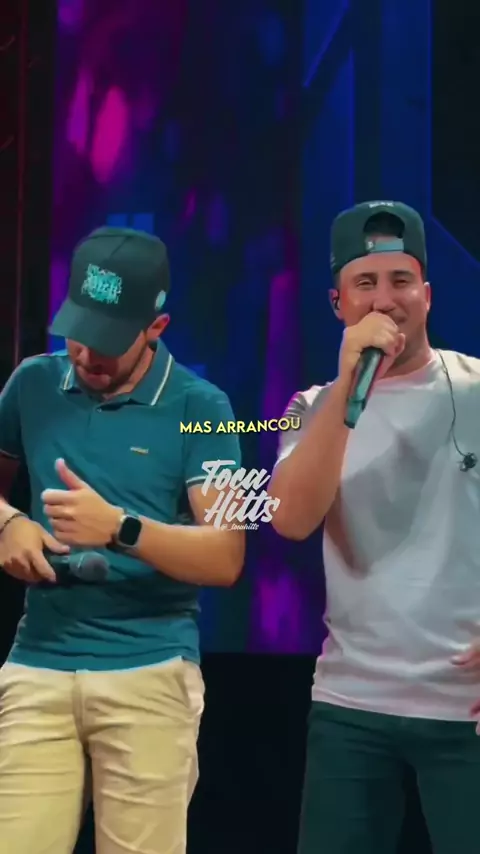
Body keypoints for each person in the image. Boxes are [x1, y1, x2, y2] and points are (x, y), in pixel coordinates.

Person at [0, 226, 245, 854]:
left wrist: (120, 528)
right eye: (77, 332)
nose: (86, 355)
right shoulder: (32, 384)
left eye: (107, 340)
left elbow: (225, 555)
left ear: (155, 327)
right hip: (38, 663)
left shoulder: (203, 406)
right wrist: (7, 521)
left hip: (150, 670)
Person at [269, 201, 480, 854]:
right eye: (366, 283)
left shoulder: (476, 388)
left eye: (401, 281)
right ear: (339, 304)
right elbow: (290, 520)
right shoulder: (310, 407)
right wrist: (346, 388)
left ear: (427, 295)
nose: (385, 299)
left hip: (467, 708)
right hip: (351, 705)